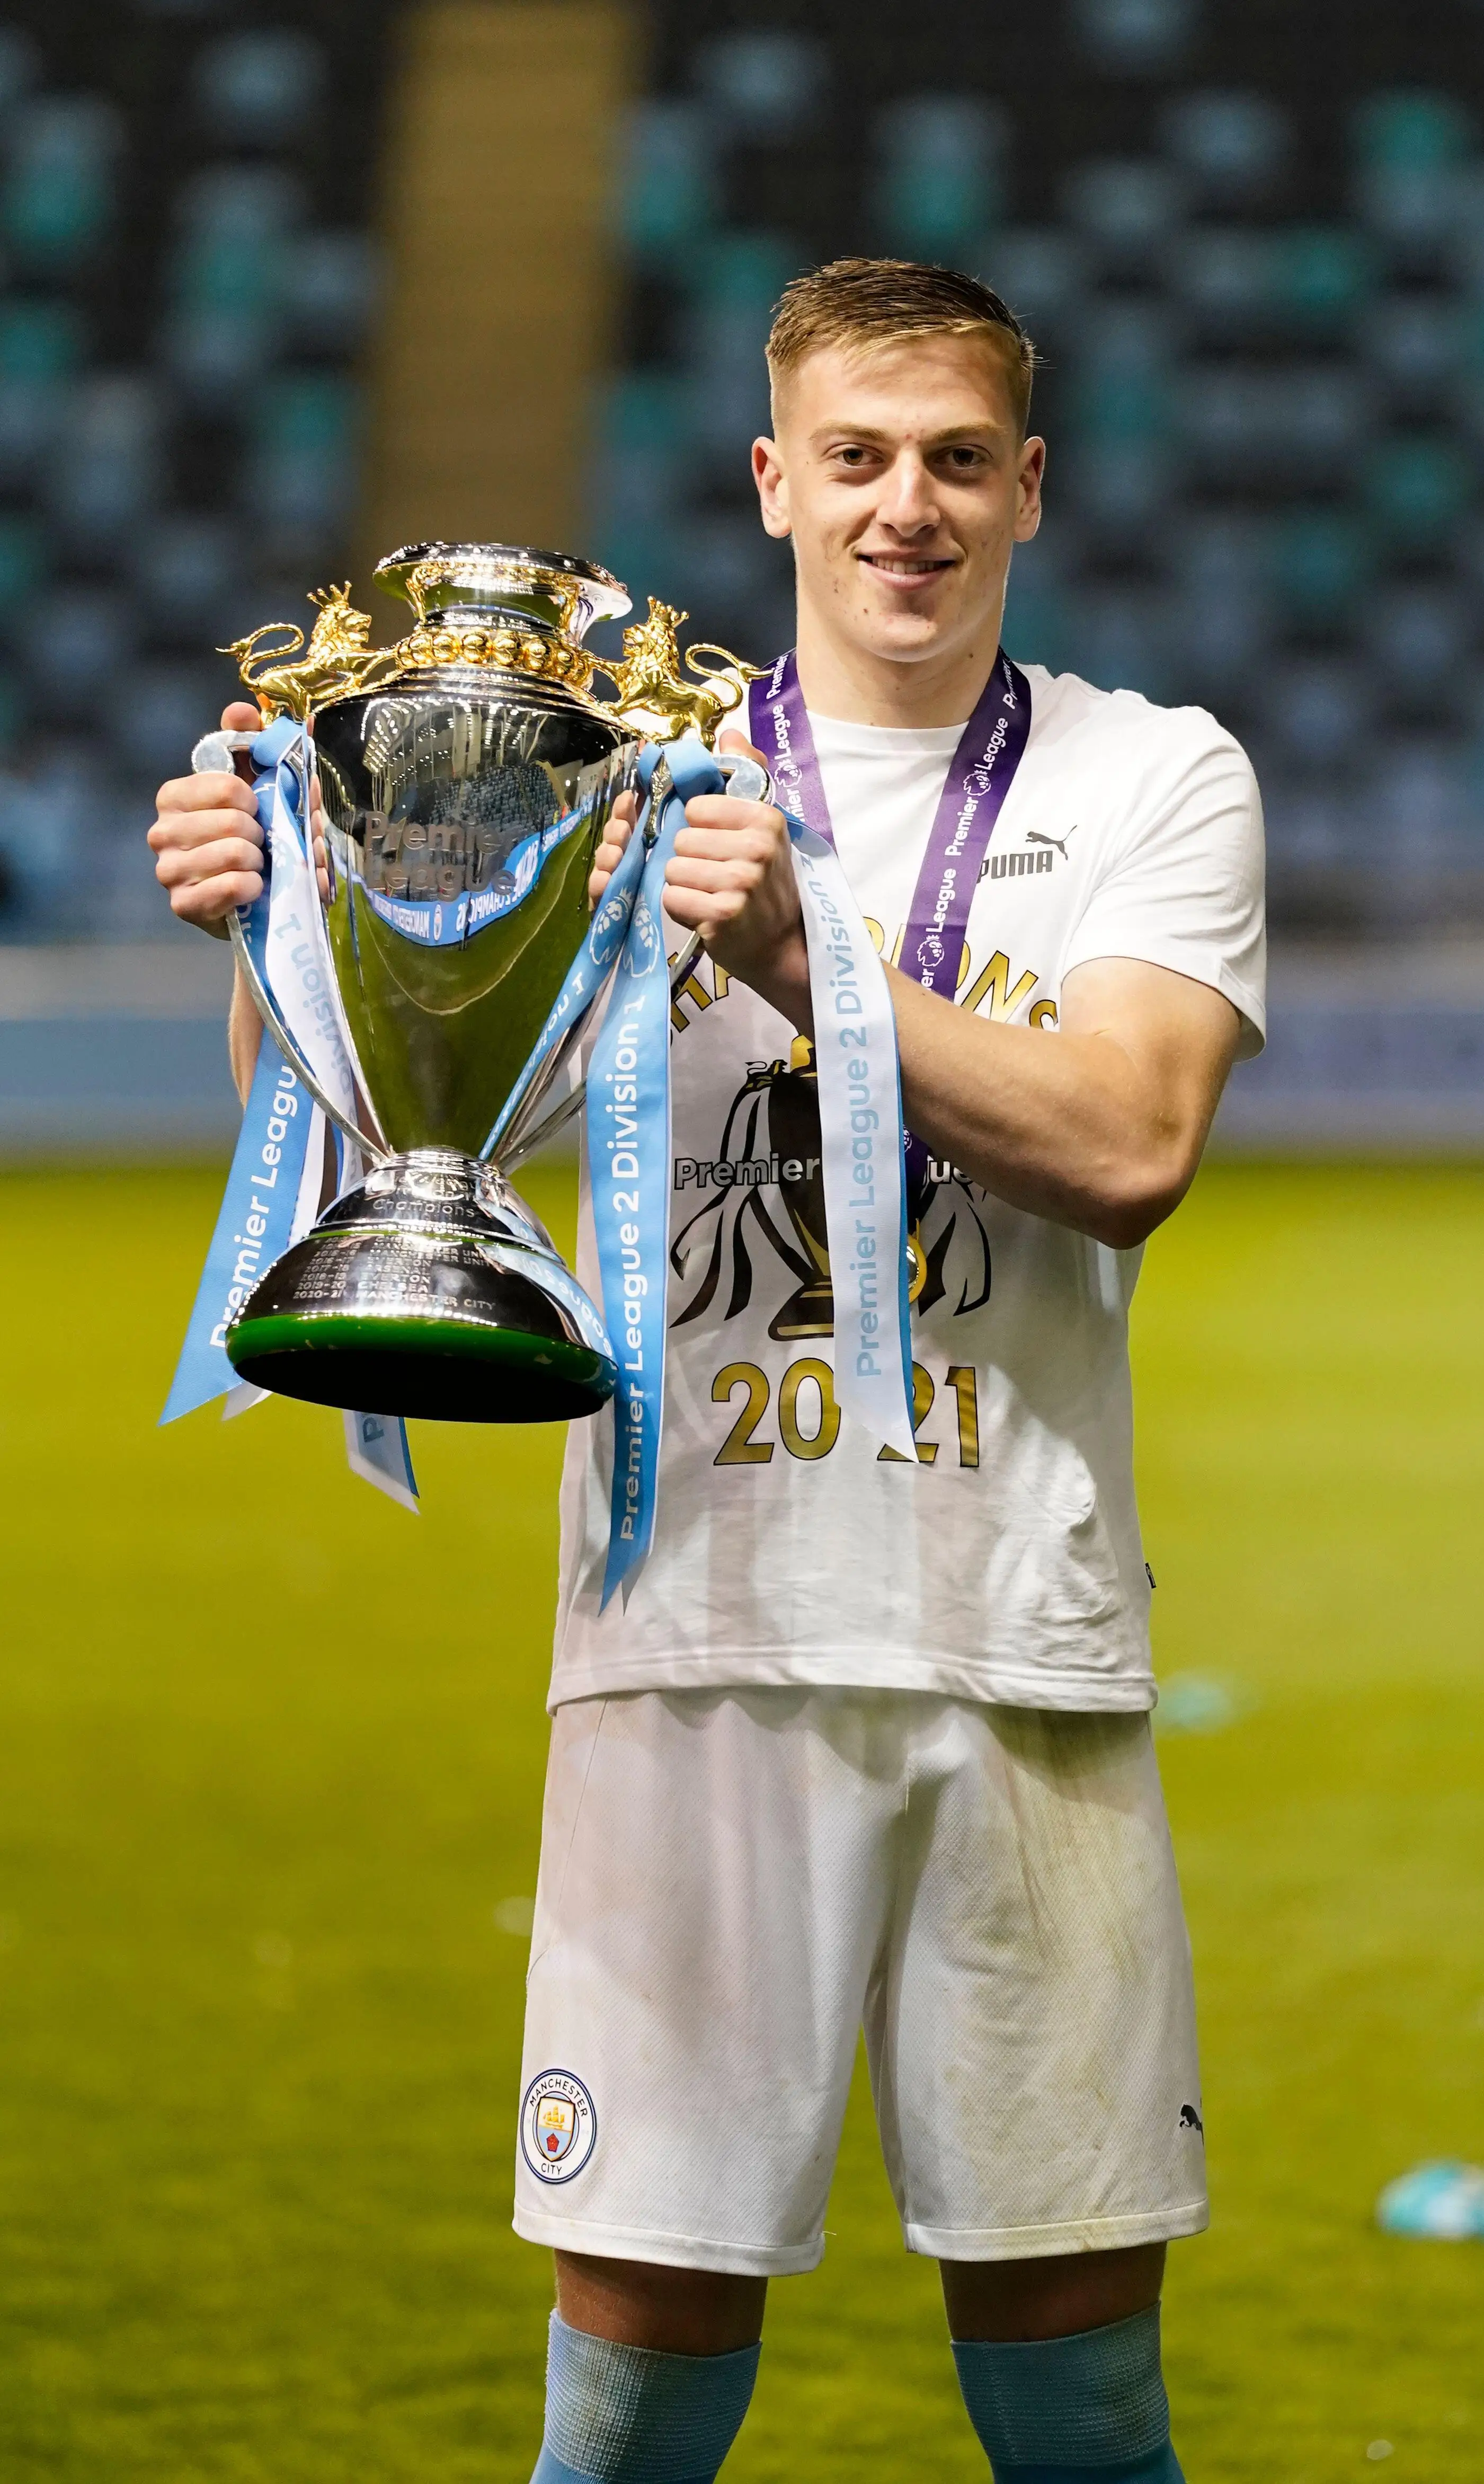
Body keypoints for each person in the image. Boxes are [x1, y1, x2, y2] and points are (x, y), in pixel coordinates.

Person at [148, 258, 1265, 2484]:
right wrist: (281, 932)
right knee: (635, 2368)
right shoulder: (594, 776)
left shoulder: (1155, 770)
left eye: (956, 460)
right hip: (691, 1639)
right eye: (853, 458)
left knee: (1080, 2376)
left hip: (1018, 1652)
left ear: (1027, 487)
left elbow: (1129, 1146)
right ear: (772, 483)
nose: (904, 509)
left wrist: (793, 947)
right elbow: (412, 1139)